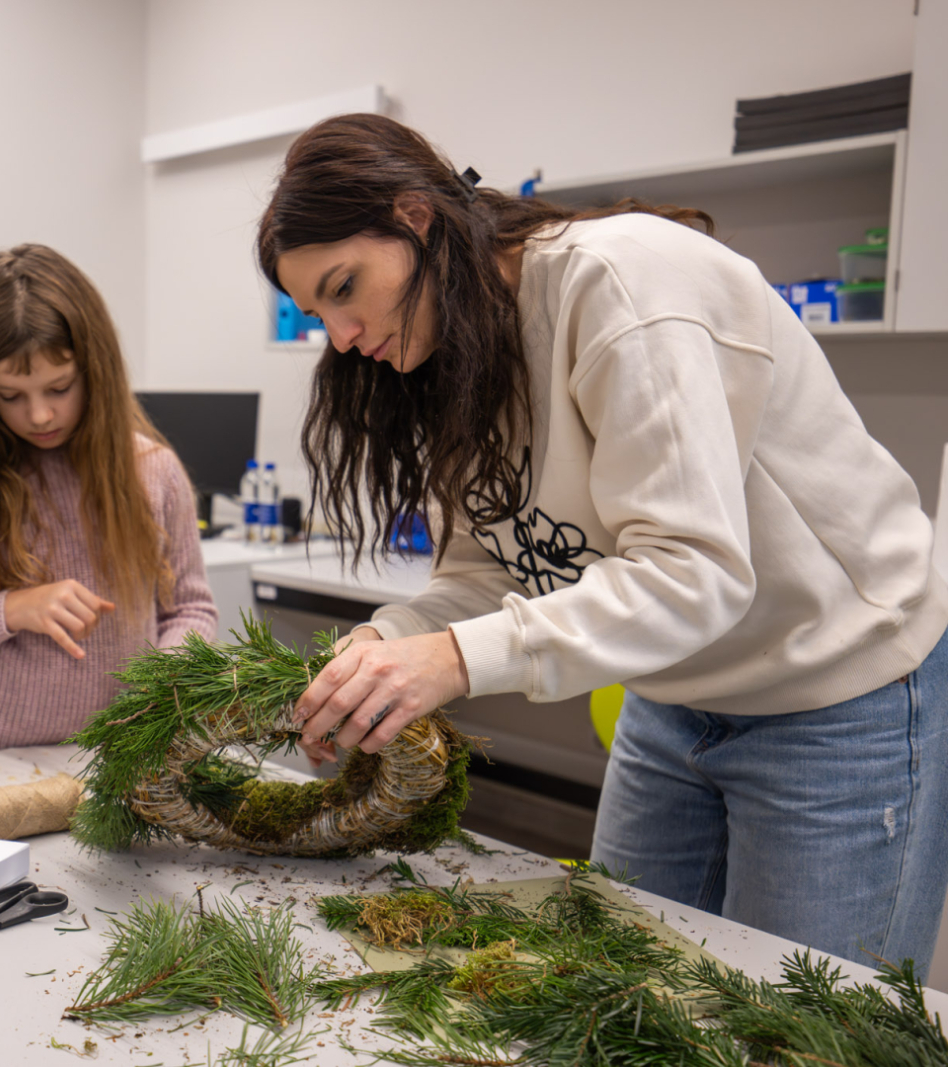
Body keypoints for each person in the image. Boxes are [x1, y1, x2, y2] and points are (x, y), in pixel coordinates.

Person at [265, 113, 948, 971]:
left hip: (835, 694)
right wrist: (390, 641)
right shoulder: (462, 347)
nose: (342, 336)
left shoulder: (617, 286)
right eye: (315, 310)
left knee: (805, 1023)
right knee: (617, 985)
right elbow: (494, 565)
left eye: (343, 286)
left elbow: (693, 574)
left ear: (417, 218)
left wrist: (453, 659)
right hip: (673, 697)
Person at [0, 244, 218, 750]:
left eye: (60, 387)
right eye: (11, 396)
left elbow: (191, 611)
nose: (41, 415)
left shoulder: (154, 471)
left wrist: (165, 682)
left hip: (118, 764)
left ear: (95, 370)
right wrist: (9, 610)